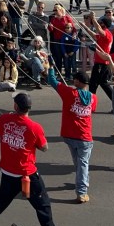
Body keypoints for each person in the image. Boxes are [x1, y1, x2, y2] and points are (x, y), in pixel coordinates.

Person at [0, 93, 57, 226]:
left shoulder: (4, 119)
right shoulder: (35, 127)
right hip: (27, 175)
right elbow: (44, 148)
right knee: (43, 206)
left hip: (8, 174)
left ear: (15, 106)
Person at [46, 66, 97, 203]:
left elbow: (52, 81)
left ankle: (82, 182)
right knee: (83, 163)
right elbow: (92, 109)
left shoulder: (69, 93)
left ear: (77, 81)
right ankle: (82, 191)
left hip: (69, 135)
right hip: (84, 136)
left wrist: (51, 69)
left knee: (78, 162)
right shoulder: (93, 97)